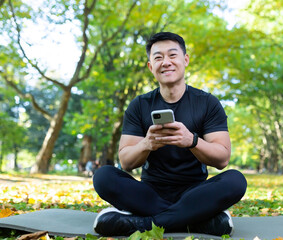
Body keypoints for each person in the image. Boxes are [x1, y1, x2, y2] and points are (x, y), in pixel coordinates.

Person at [92, 32, 247, 237]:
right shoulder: (139, 105)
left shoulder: (208, 103)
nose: (166, 62)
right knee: (103, 176)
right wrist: (146, 144)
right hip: (150, 193)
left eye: (172, 55)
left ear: (185, 59)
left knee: (236, 180)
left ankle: (144, 224)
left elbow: (222, 159)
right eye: (158, 57)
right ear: (150, 67)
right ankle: (197, 221)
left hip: (196, 193)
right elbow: (127, 162)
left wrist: (191, 141)